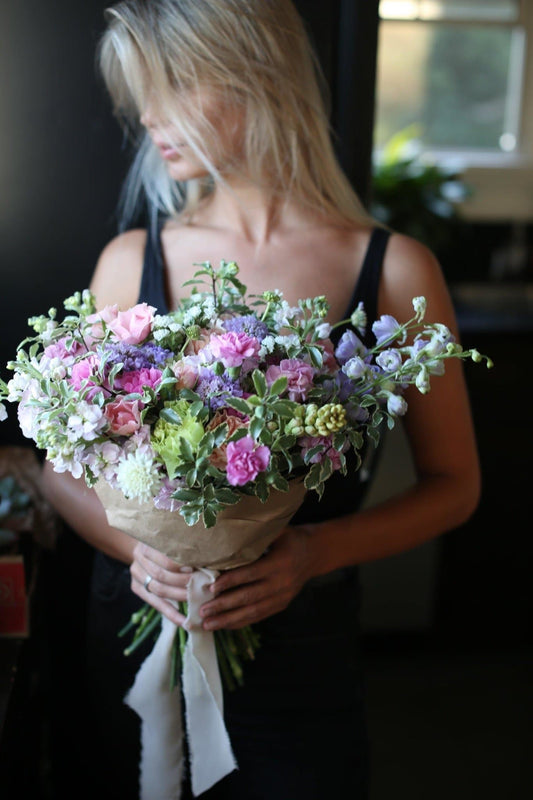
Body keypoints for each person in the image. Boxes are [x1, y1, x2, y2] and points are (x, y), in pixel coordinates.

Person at [42, 1, 481, 798]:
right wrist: (134, 550)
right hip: (135, 639)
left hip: (302, 650)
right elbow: (59, 471)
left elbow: (455, 486)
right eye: (142, 92)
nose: (147, 116)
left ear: (252, 78)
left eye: (171, 86)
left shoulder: (392, 269)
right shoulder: (131, 262)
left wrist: (314, 553)